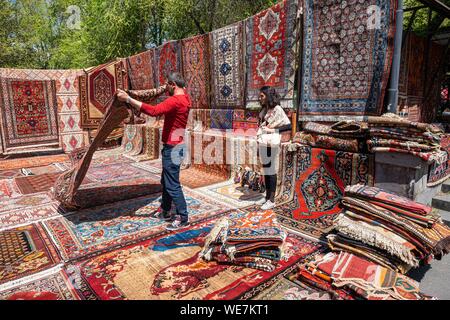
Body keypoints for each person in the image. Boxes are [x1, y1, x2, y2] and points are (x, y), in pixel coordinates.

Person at [117, 72, 192, 231]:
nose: (166, 91)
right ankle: (165, 210)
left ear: (172, 85)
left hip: (173, 148)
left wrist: (129, 99)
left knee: (172, 184)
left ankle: (182, 217)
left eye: (167, 87)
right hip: (177, 146)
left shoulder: (175, 101)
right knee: (166, 181)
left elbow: (153, 111)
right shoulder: (185, 98)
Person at [257, 86, 291, 210]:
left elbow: (288, 125)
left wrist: (273, 130)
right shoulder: (264, 109)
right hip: (263, 141)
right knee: (266, 170)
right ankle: (266, 197)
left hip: (271, 142)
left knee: (271, 170)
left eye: (262, 96)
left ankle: (272, 200)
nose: (259, 98)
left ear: (268, 96)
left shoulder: (277, 109)